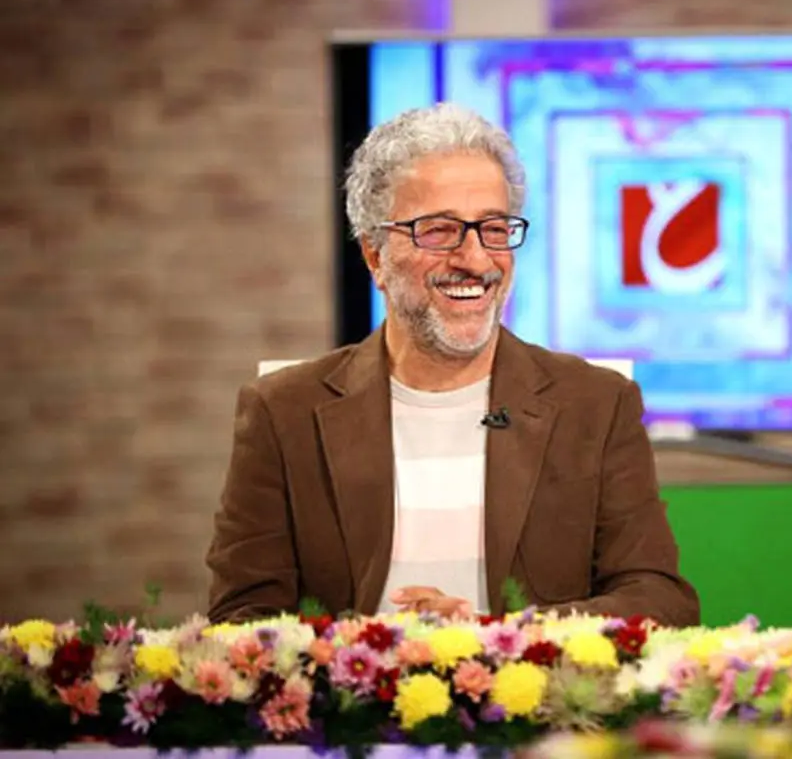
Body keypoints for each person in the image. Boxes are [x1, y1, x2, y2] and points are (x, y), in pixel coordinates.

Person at [205, 103, 700, 627]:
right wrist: (379, 652)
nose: (476, 259)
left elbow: (658, 600)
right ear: (374, 255)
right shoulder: (284, 412)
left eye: (494, 228)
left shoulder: (595, 405)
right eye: (439, 231)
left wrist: (495, 639)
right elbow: (242, 618)